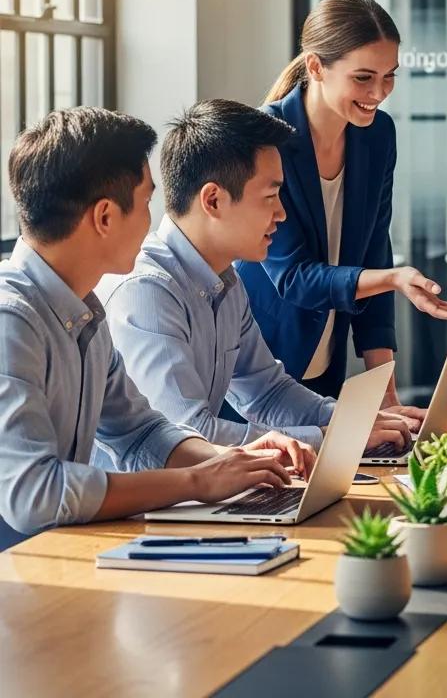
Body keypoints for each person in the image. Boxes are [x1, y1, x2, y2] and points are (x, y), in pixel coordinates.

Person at [0, 108, 304, 549]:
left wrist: (233, 462)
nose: (154, 219)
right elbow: (34, 496)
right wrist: (196, 482)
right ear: (105, 217)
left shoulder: (82, 309)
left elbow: (140, 430)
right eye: (145, 202)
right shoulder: (12, 320)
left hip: (58, 557)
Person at [98, 100, 413, 458]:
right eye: (270, 196)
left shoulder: (226, 282)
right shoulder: (147, 293)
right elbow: (189, 434)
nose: (281, 213)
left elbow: (268, 391)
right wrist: (331, 437)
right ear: (213, 200)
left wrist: (354, 421)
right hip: (141, 511)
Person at [236, 0, 447, 422]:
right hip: (256, 380)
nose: (379, 93)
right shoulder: (265, 141)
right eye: (363, 78)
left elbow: (373, 253)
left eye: (389, 76)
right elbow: (293, 277)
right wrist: (393, 279)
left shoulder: (377, 134)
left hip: (325, 371)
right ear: (316, 67)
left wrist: (386, 394)